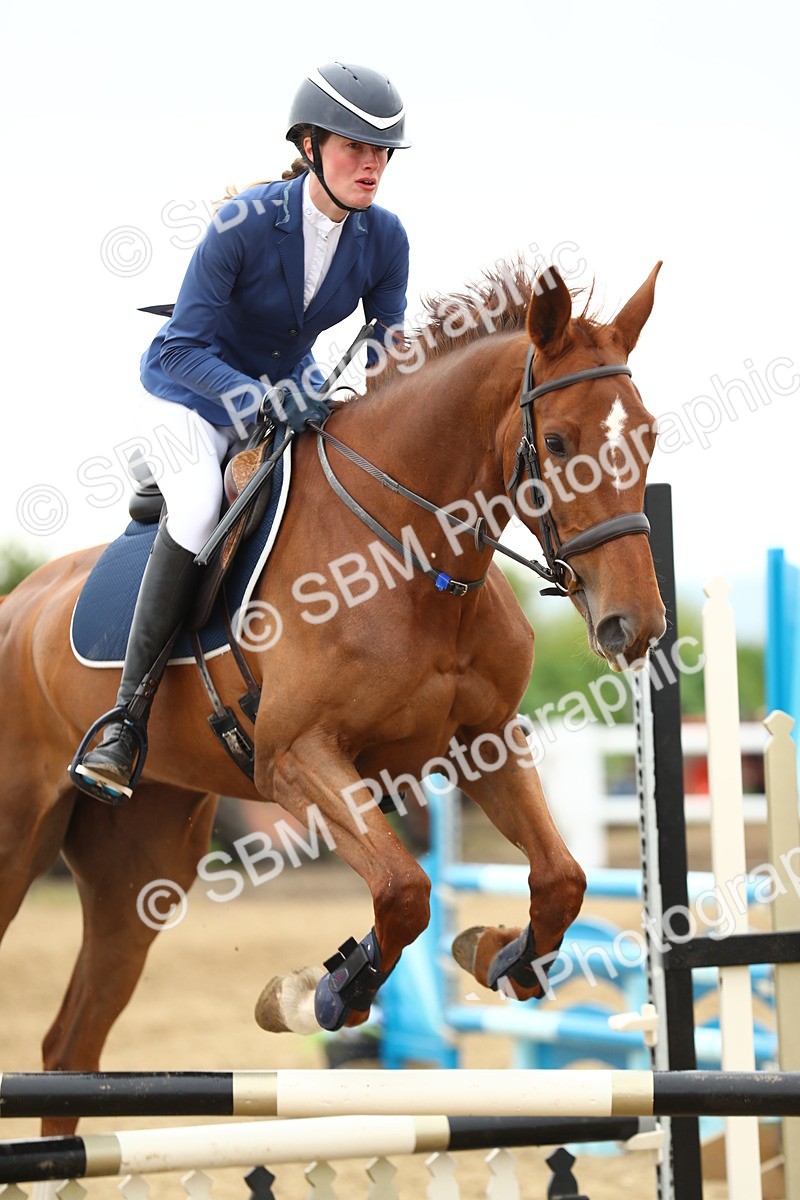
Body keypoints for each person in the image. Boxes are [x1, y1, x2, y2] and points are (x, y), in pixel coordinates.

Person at [74, 61, 410, 802]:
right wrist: (258, 396)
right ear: (311, 145)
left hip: (289, 392)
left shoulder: (385, 238)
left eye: (383, 152)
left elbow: (386, 343)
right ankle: (125, 721)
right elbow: (179, 347)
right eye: (356, 147)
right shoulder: (245, 222)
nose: (372, 165)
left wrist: (385, 410)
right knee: (199, 508)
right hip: (191, 395)